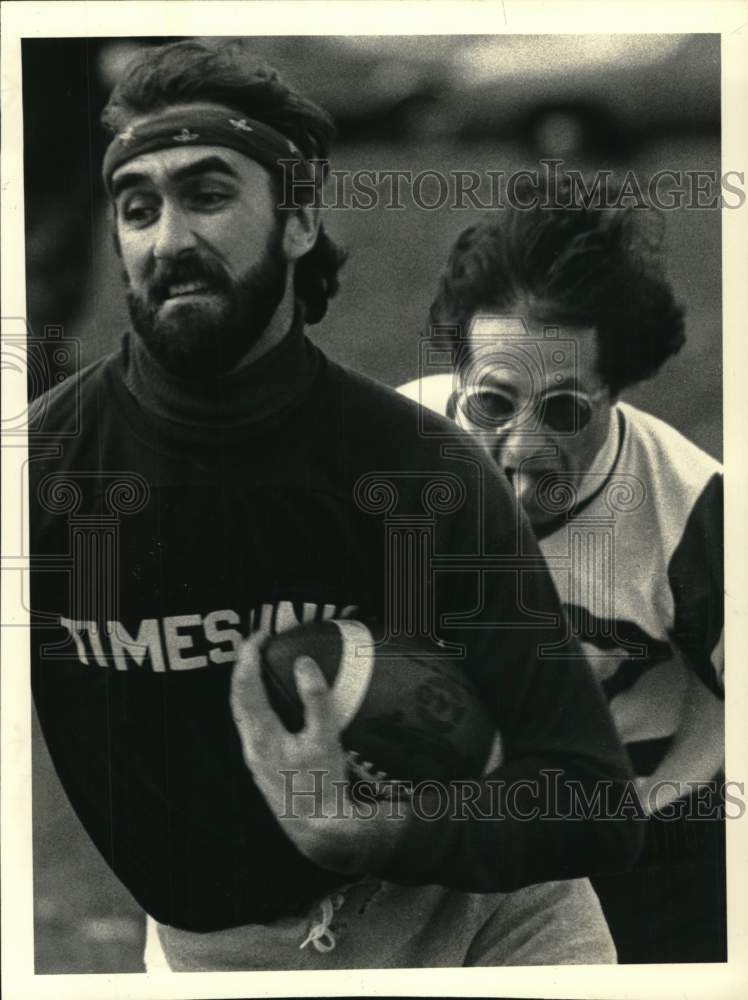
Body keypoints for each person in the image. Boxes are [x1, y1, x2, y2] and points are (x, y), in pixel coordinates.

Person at [29, 40, 641, 973]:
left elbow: (592, 799)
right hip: (225, 958)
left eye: (208, 194)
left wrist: (380, 832)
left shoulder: (416, 467)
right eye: (138, 206)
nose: (167, 240)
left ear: (299, 219)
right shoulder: (40, 472)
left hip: (488, 927)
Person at [399, 176, 725, 963]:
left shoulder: (695, 512)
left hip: (634, 828)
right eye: (492, 404)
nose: (521, 447)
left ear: (618, 388)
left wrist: (641, 812)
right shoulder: (391, 453)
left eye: (566, 410)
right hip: (447, 812)